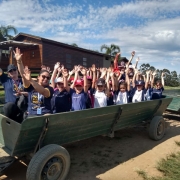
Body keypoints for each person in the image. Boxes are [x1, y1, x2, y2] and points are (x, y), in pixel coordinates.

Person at [14, 48, 54, 116]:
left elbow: (43, 92)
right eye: (43, 77)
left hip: (44, 114)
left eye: (48, 78)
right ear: (38, 77)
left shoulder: (49, 89)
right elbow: (23, 75)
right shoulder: (30, 87)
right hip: (32, 115)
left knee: (48, 116)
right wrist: (19, 62)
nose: (46, 79)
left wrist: (31, 80)